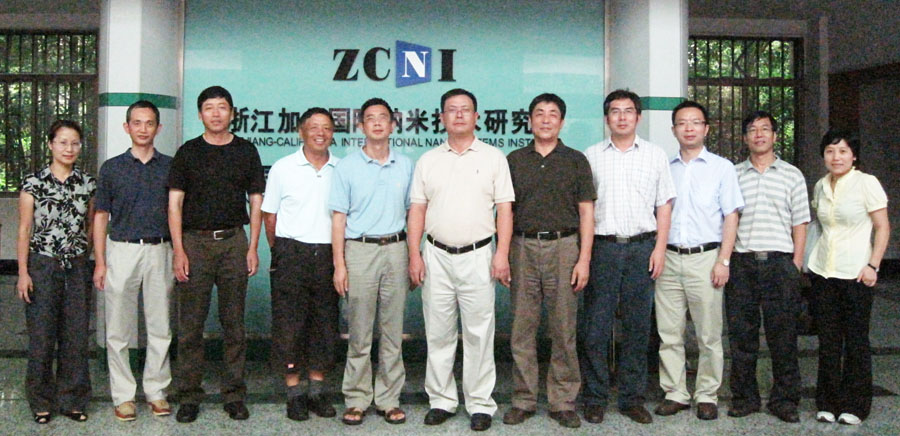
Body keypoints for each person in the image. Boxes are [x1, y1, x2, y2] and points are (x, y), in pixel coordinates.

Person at [408, 88, 515, 432]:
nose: (458, 115)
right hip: (435, 255)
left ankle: (480, 403)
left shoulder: (494, 157)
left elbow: (504, 210)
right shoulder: (428, 160)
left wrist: (501, 253)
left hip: (479, 255)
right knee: (438, 333)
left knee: (479, 334)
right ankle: (441, 400)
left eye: (465, 109)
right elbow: (417, 210)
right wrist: (414, 255)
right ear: (441, 118)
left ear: (476, 116)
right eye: (451, 110)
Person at [169, 86, 265, 423]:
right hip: (194, 244)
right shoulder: (188, 152)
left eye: (222, 107)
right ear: (200, 115)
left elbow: (256, 201)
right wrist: (178, 250)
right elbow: (174, 203)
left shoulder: (246, 151)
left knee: (234, 324)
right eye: (209, 108)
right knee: (191, 325)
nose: (216, 113)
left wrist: (253, 247)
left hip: (233, 242)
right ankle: (189, 395)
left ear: (232, 113)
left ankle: (234, 394)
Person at [580, 89, 676, 425]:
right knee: (596, 327)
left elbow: (664, 205)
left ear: (638, 117)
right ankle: (595, 397)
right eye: (615, 111)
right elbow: (584, 210)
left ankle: (632, 398)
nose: (622, 117)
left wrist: (659, 248)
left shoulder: (655, 155)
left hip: (641, 248)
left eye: (628, 111)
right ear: (606, 118)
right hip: (603, 248)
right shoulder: (591, 156)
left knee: (637, 327)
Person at [502, 93, 594, 429]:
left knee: (563, 328)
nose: (545, 119)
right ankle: (523, 399)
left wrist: (584, 259)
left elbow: (586, 212)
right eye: (539, 113)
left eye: (552, 114)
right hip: (522, 247)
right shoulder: (514, 160)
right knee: (521, 329)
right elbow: (505, 212)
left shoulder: (576, 160)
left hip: (564, 247)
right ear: (529, 121)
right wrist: (503, 254)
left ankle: (562, 401)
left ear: (562, 122)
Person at [653, 101, 743, 421]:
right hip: (668, 258)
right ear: (673, 129)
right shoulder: (664, 167)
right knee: (669, 332)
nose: (688, 128)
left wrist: (724, 260)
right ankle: (675, 392)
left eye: (695, 122)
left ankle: (707, 394)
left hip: (706, 258)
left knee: (709, 334)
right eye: (682, 123)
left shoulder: (722, 168)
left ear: (706, 128)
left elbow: (731, 216)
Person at [331, 98, 412, 426]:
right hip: (360, 250)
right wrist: (340, 264)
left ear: (392, 125)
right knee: (360, 331)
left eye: (383, 118)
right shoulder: (347, 167)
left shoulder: (406, 165)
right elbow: (338, 218)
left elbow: (414, 213)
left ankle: (389, 399)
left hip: (396, 249)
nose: (377, 123)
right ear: (361, 126)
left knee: (393, 331)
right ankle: (356, 398)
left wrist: (414, 254)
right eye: (370, 118)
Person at [93, 100, 174, 421]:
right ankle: (123, 395)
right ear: (126, 127)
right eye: (137, 123)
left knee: (160, 326)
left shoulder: (170, 167)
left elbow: (177, 212)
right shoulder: (111, 168)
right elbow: (101, 216)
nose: (143, 129)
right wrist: (100, 262)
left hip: (160, 249)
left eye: (149, 123)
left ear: (158, 128)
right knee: (117, 329)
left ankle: (156, 391)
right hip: (121, 249)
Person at [726, 111, 809, 423]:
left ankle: (785, 400)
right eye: (752, 130)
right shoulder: (733, 174)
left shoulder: (792, 175)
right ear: (745, 137)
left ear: (775, 136)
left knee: (783, 337)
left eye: (764, 129)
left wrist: (796, 264)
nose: (758, 134)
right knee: (741, 337)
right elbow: (727, 220)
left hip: (779, 263)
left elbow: (800, 222)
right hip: (742, 263)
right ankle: (744, 398)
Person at [806, 129, 889, 425]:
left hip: (856, 273)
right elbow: (820, 227)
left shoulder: (867, 183)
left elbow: (882, 227)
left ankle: (855, 405)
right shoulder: (820, 185)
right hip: (823, 272)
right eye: (830, 151)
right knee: (828, 340)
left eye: (842, 151)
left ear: (853, 156)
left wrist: (873, 265)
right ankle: (828, 402)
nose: (836, 157)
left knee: (855, 340)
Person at [263, 107, 340, 422]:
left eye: (327, 127)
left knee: (325, 324)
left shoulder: (341, 169)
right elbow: (270, 216)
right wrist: (281, 251)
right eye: (313, 127)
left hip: (329, 254)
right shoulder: (283, 168)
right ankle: (294, 393)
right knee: (289, 326)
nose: (320, 133)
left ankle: (317, 392)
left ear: (333, 133)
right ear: (301, 132)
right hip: (291, 252)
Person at [17, 119, 96, 424]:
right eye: (63, 142)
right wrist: (23, 272)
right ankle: (40, 400)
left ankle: (73, 400)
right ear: (50, 144)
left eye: (75, 143)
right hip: (42, 265)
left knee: (75, 335)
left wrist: (84, 256)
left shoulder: (87, 184)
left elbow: (91, 225)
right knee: (41, 336)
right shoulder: (33, 183)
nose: (69, 148)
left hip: (76, 266)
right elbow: (25, 229)